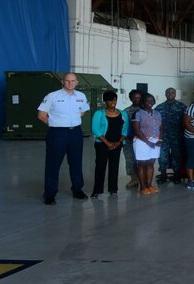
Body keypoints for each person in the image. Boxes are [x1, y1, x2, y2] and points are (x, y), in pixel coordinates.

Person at [37, 73, 91, 204]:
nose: (70, 83)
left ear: (76, 83)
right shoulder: (52, 96)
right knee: (53, 164)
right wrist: (56, 123)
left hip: (75, 133)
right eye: (67, 81)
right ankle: (49, 194)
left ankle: (78, 189)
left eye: (73, 81)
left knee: (76, 163)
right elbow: (41, 115)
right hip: (57, 133)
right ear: (62, 82)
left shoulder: (81, 96)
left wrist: (71, 121)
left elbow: (83, 111)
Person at [91, 90, 129, 198]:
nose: (113, 102)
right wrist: (107, 143)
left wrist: (119, 142)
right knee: (100, 167)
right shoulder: (99, 113)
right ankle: (97, 190)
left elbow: (125, 129)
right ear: (105, 101)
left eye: (114, 100)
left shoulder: (123, 114)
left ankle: (113, 189)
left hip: (117, 144)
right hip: (102, 144)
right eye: (110, 100)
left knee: (114, 166)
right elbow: (95, 129)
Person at [132, 93, 162, 195]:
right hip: (141, 141)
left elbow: (161, 128)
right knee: (141, 164)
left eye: (151, 100)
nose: (149, 102)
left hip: (156, 141)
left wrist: (160, 139)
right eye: (147, 101)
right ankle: (143, 187)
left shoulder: (158, 113)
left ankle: (149, 185)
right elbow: (136, 129)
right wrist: (148, 142)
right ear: (142, 102)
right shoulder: (138, 113)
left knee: (150, 164)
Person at [122, 89, 142, 189]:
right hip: (129, 140)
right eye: (134, 98)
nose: (137, 99)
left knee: (143, 161)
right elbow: (123, 127)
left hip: (143, 141)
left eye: (138, 97)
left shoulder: (145, 110)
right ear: (131, 98)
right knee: (130, 160)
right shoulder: (126, 111)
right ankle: (134, 179)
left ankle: (144, 179)